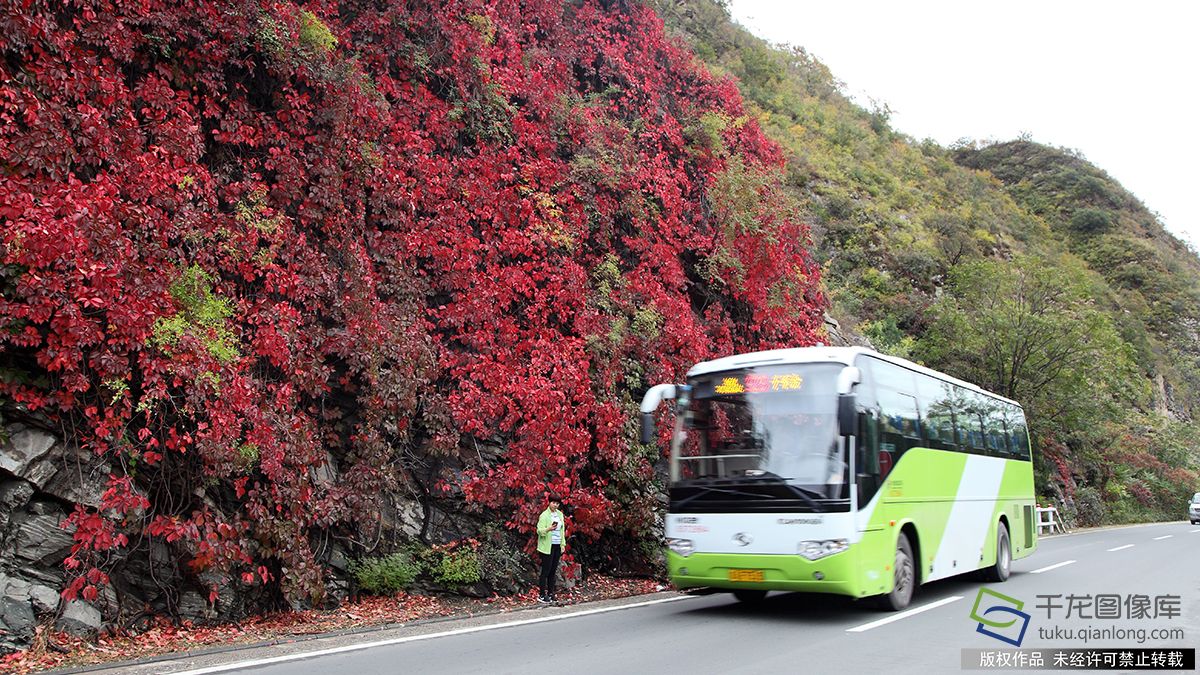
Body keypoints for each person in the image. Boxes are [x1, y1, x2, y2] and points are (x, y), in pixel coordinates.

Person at [535, 495, 566, 604]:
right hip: (547, 546)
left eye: (557, 503)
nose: (555, 505)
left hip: (557, 545)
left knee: (553, 571)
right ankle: (542, 595)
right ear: (549, 503)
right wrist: (549, 529)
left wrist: (563, 544)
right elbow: (539, 531)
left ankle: (551, 593)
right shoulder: (544, 515)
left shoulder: (560, 514)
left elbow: (562, 531)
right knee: (546, 571)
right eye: (553, 503)